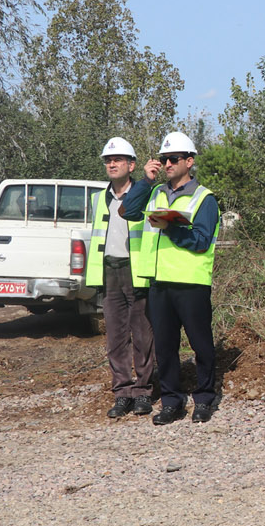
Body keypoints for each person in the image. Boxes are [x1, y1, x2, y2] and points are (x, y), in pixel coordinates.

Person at [121, 131, 220, 426]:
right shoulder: (156, 193)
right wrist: (145, 181)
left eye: (173, 159)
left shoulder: (205, 198)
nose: (166, 164)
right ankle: (171, 402)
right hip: (160, 284)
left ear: (189, 162)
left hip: (191, 284)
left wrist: (170, 227)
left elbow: (201, 241)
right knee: (165, 348)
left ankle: (204, 399)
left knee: (201, 346)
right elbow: (128, 211)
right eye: (163, 159)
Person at [86, 137, 156, 419]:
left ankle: (143, 392)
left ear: (132, 165)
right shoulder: (97, 198)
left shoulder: (145, 195)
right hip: (109, 273)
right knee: (115, 338)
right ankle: (122, 393)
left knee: (142, 336)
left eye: (117, 160)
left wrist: (147, 182)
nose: (111, 164)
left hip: (136, 272)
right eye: (108, 161)